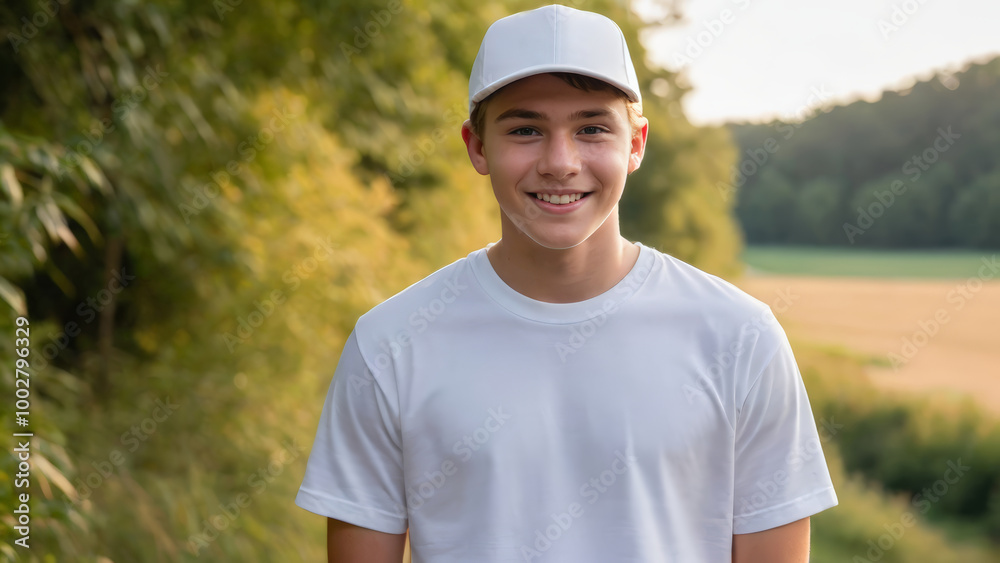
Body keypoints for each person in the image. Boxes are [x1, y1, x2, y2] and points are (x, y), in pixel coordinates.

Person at [295, 5, 838, 562]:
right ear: (477, 147)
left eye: (592, 128)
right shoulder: (390, 345)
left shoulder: (740, 338)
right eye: (525, 129)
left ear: (636, 144)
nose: (560, 162)